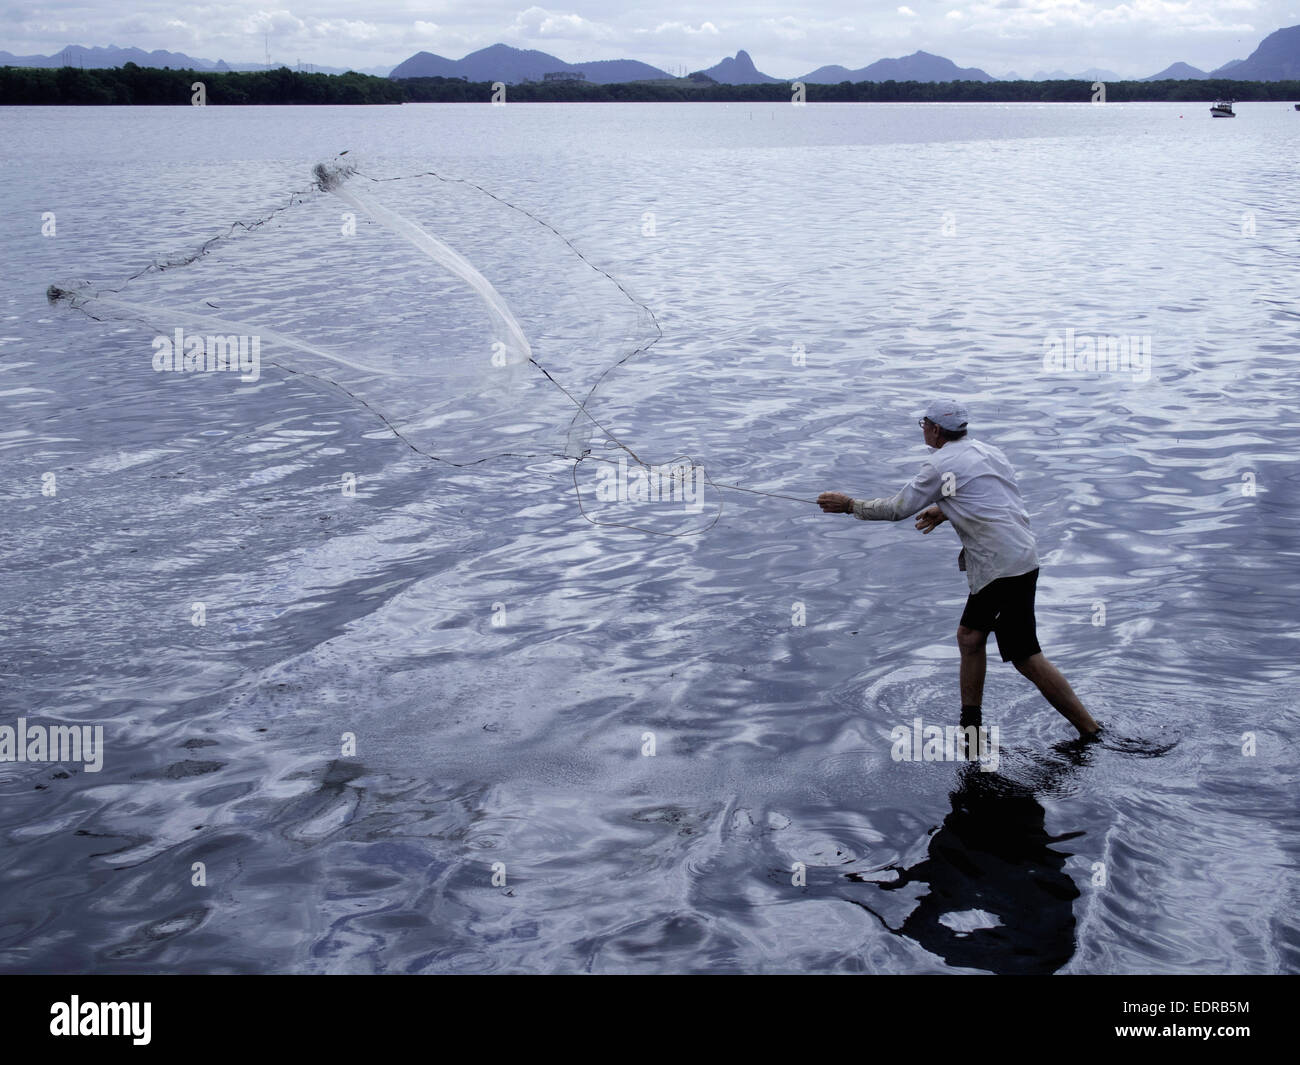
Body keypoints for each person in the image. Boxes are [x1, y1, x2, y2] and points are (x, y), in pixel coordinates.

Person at [817, 399, 1100, 739]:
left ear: (935, 429)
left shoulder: (939, 466)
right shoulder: (988, 451)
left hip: (1001, 568)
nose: (922, 429)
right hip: (1020, 555)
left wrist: (850, 506)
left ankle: (1090, 729)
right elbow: (990, 496)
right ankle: (970, 722)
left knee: (1025, 656)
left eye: (923, 424)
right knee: (970, 637)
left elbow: (896, 509)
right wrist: (944, 509)